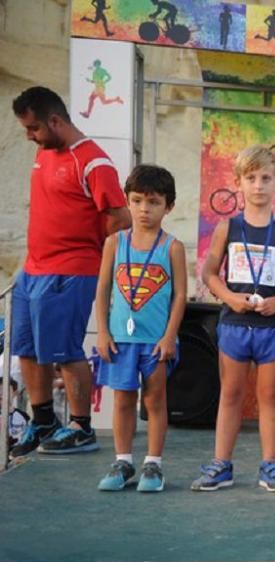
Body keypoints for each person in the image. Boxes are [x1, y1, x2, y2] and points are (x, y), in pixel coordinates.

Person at [9, 87, 131, 459]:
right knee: (26, 351)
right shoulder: (44, 153)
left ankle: (81, 427)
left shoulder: (94, 162)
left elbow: (120, 219)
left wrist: (89, 255)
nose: (30, 135)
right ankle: (43, 419)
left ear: (56, 121)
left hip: (70, 272)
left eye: (34, 128)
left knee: (63, 352)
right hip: (32, 270)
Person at [192, 145, 275, 492]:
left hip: (272, 328)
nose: (258, 185)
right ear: (239, 183)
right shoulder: (227, 228)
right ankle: (222, 465)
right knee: (231, 395)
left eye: (265, 178)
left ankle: (270, 466)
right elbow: (210, 273)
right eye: (251, 178)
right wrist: (229, 297)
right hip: (234, 324)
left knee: (270, 396)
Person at [93, 165, 186, 492]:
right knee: (122, 400)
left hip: (156, 341)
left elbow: (180, 296)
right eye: (137, 201)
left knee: (155, 400)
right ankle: (123, 460)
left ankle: (153, 465)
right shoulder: (114, 243)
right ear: (127, 201)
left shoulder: (172, 247)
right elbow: (103, 289)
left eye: (153, 202)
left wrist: (170, 335)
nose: (144, 209)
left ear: (168, 206)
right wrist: (102, 332)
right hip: (119, 339)